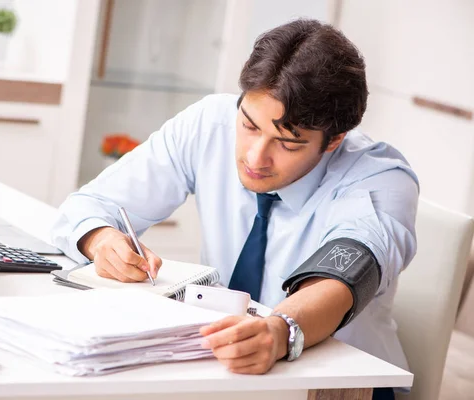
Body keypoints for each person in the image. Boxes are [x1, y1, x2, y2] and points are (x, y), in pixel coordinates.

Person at [51, 19, 418, 400]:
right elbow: (90, 206)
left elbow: (342, 277)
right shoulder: (209, 123)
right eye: (249, 125)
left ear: (334, 140)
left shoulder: (381, 178)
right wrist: (101, 239)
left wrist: (280, 331)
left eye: (288, 144)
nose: (255, 157)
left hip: (338, 385)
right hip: (225, 367)